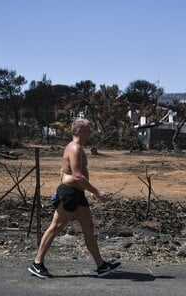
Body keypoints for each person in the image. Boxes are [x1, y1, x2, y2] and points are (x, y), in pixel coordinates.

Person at [28, 118, 121, 279]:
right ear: (79, 131)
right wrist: (97, 191)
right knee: (55, 227)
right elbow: (77, 176)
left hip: (76, 194)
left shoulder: (78, 148)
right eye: (87, 130)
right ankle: (37, 263)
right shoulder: (75, 148)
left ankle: (101, 266)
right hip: (70, 193)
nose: (90, 132)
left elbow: (68, 172)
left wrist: (87, 190)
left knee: (88, 229)